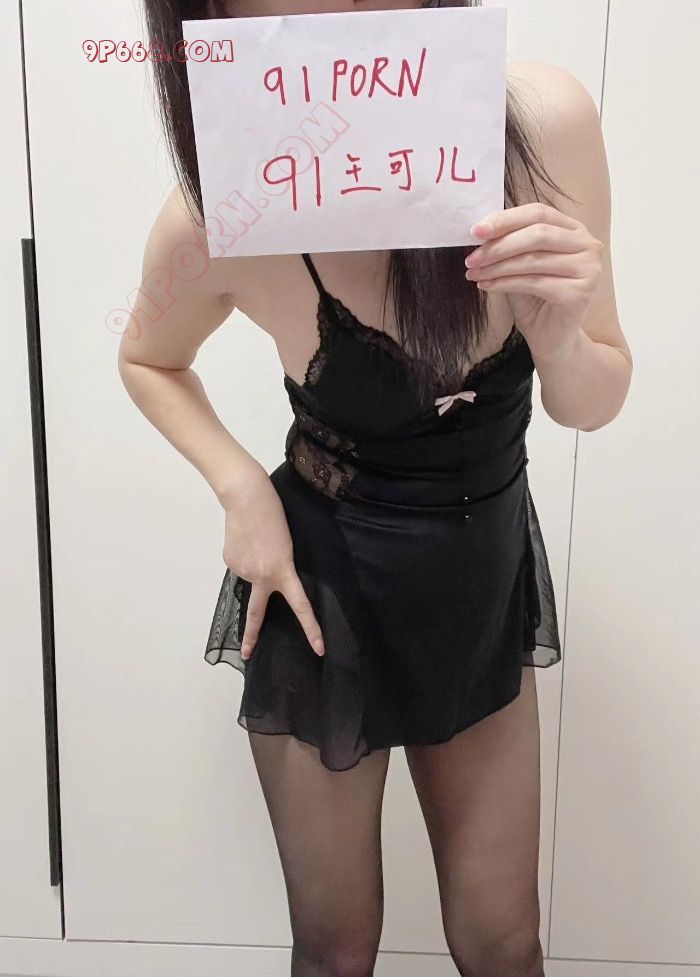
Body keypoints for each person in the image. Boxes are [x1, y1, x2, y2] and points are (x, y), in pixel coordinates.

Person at [118, 1, 632, 974]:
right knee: (335, 947)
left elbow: (593, 398)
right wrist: (240, 488)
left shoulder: (544, 128)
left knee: (503, 940)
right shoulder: (226, 206)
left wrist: (560, 329)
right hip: (322, 591)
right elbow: (147, 356)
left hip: (476, 585)